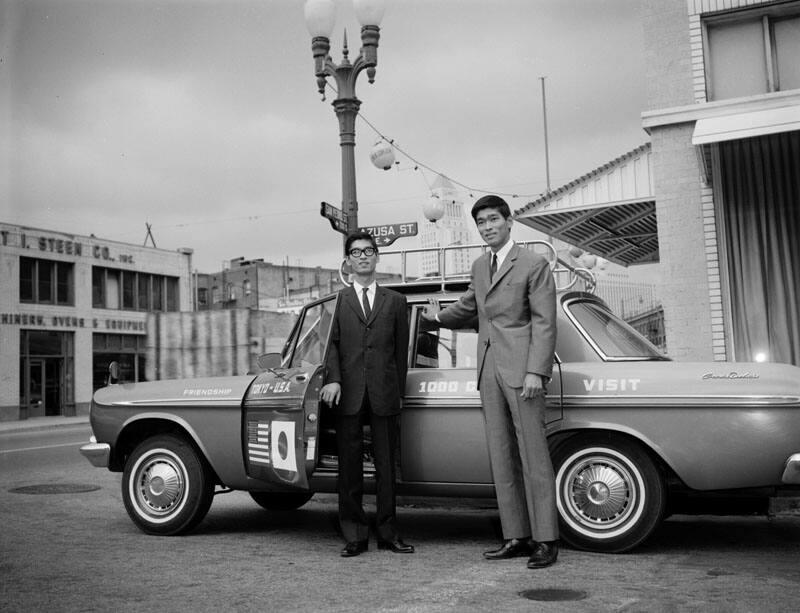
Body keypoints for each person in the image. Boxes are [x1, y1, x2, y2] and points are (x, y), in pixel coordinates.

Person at [421, 195, 559, 569]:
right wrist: (436, 318)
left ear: (509, 221)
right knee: (501, 456)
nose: (487, 227)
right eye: (481, 222)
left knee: (533, 455)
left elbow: (545, 322)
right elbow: (470, 306)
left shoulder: (534, 263)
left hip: (522, 371)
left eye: (493, 219)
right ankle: (516, 536)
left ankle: (546, 539)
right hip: (488, 370)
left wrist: (536, 371)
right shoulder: (481, 266)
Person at [320, 231, 413, 557]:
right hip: (348, 393)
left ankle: (388, 533)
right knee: (350, 469)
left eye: (368, 251)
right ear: (348, 260)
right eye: (356, 252)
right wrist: (333, 379)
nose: (362, 256)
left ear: (376, 257)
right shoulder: (338, 302)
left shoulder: (395, 301)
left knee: (387, 467)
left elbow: (400, 352)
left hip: (385, 392)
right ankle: (355, 535)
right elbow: (330, 345)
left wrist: (398, 391)